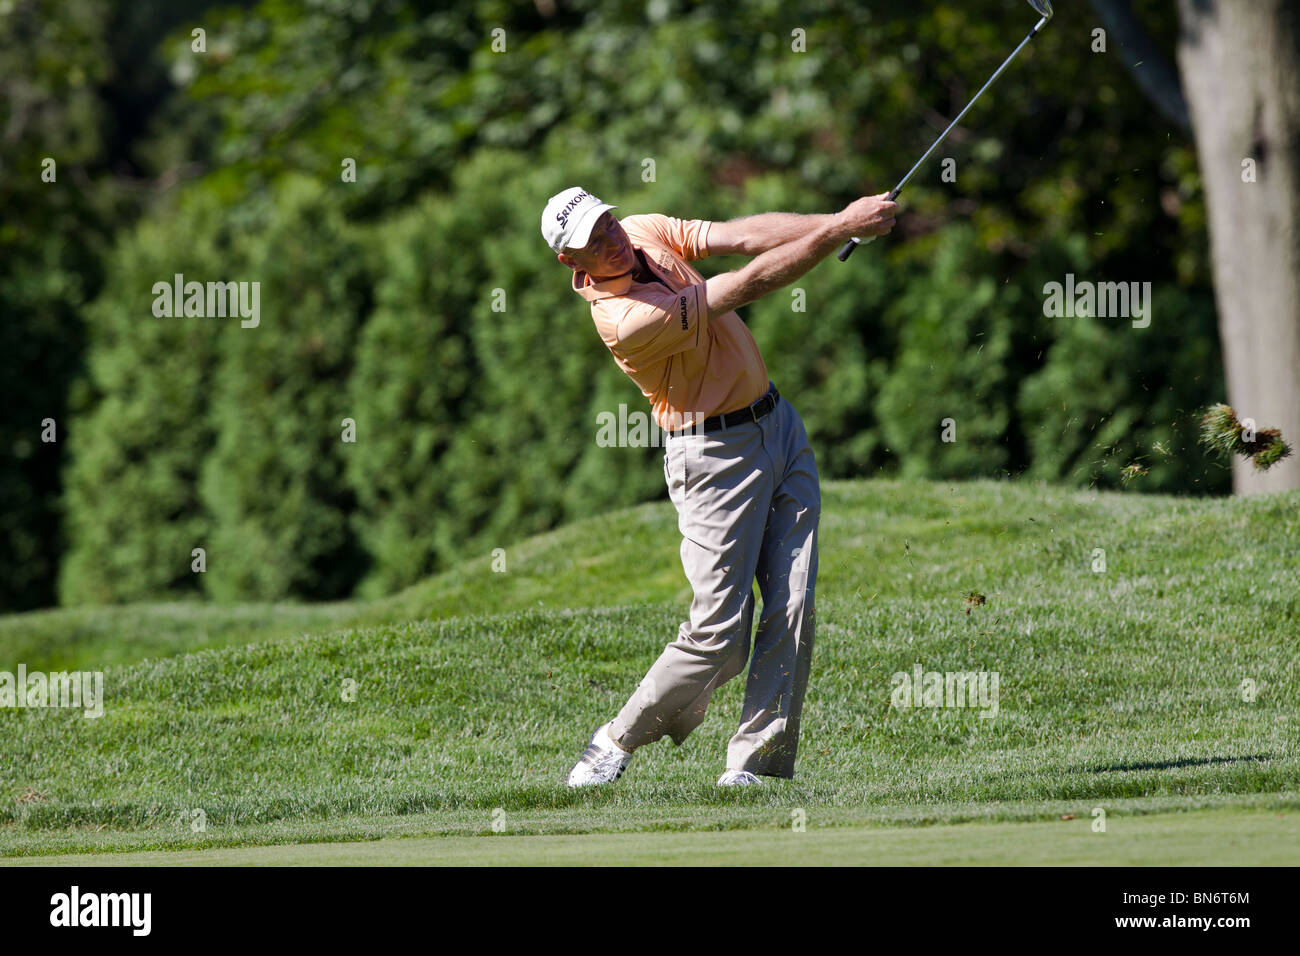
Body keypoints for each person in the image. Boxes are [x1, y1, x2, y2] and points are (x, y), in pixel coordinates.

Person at [543, 186, 898, 786]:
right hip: (711, 459)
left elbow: (739, 236)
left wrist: (838, 219)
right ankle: (614, 740)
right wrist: (839, 231)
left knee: (793, 607)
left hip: (778, 426)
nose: (612, 241)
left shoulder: (641, 230)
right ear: (571, 263)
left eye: (607, 223)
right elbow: (744, 285)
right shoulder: (625, 320)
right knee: (719, 637)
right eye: (594, 243)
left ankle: (752, 766)